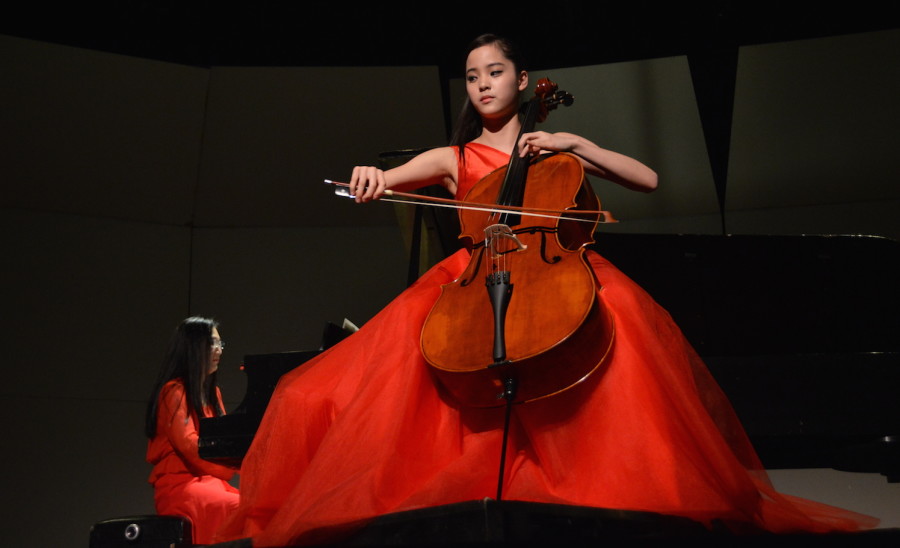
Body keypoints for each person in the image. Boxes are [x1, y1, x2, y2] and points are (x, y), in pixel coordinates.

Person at [215, 34, 877, 546]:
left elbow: (644, 179)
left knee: (619, 353)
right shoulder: (456, 159)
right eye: (472, 76)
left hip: (552, 280)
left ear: (523, 80)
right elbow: (389, 179)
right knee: (316, 391)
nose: (482, 85)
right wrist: (370, 176)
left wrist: (574, 143)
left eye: (494, 72)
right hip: (475, 285)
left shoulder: (551, 148)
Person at [145, 316, 240, 545]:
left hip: (209, 481)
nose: (219, 350)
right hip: (180, 485)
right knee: (238, 507)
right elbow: (189, 445)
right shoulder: (173, 391)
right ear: (194, 348)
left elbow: (222, 439)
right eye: (213, 344)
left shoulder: (212, 393)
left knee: (253, 506)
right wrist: (230, 468)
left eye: (220, 344)